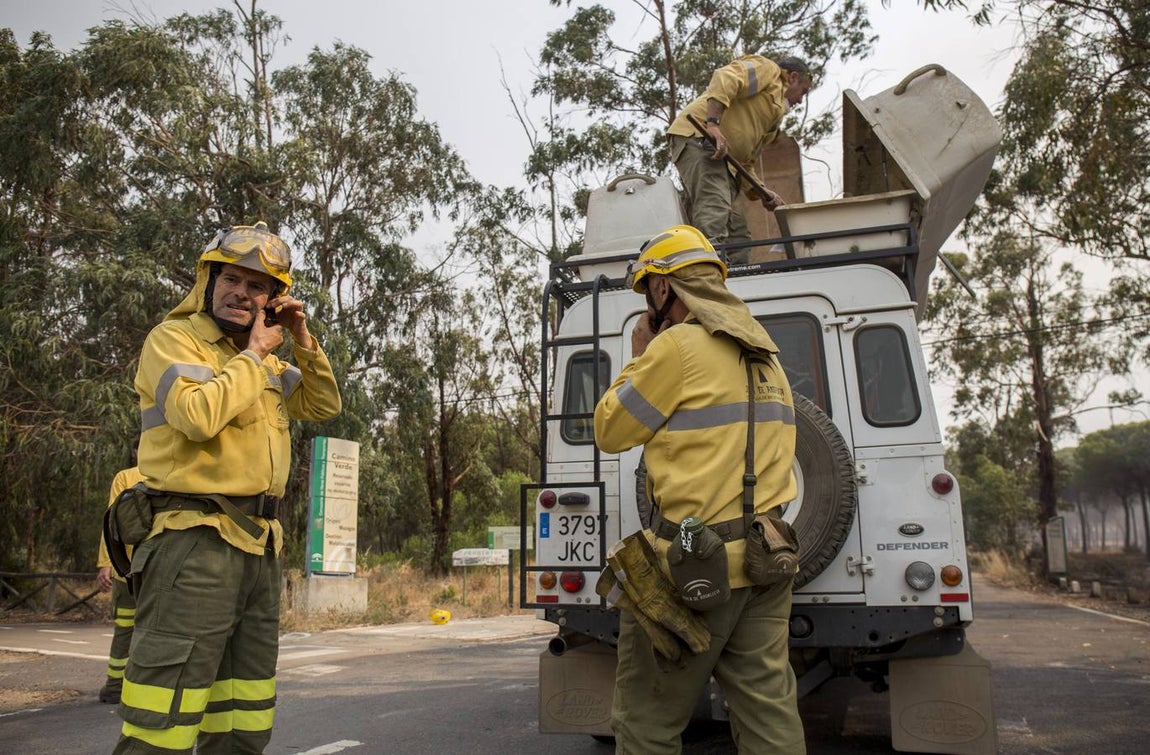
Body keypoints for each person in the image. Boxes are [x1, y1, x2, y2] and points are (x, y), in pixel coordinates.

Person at [114, 222, 342, 754]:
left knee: (242, 715)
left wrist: (303, 343)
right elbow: (197, 415)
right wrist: (255, 354)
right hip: (193, 545)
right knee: (161, 719)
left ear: (272, 300)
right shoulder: (175, 340)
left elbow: (322, 405)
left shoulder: (266, 361)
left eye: (257, 286)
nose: (242, 293)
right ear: (209, 281)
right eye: (232, 280)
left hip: (259, 549)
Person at [594, 224, 804, 753]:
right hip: (766, 563)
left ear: (665, 289)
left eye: (648, 291)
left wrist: (640, 355)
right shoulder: (765, 353)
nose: (648, 303)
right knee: (769, 717)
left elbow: (610, 431)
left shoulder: (678, 347)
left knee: (646, 722)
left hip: (692, 571)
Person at [667, 55, 814, 263]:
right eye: (803, 91)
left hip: (728, 162)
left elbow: (746, 162)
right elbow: (726, 77)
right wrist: (713, 124)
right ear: (792, 77)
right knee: (714, 211)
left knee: (739, 237)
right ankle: (708, 274)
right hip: (701, 138)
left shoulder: (772, 119)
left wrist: (763, 192)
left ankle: (735, 281)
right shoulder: (769, 71)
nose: (800, 100)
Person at [95, 461, 146, 704]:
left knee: (125, 630)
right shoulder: (174, 472)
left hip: (127, 568)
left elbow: (112, 523)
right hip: (161, 568)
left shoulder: (126, 477)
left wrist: (107, 563)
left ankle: (116, 687)